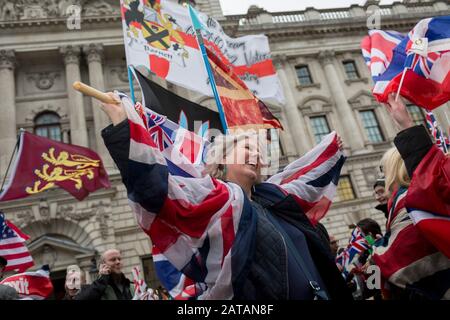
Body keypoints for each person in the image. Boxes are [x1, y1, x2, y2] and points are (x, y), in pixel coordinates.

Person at [99, 92, 353, 300]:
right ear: (222, 156)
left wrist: (330, 150)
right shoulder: (218, 199)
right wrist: (124, 128)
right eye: (246, 148)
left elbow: (303, 179)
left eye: (258, 152)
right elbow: (157, 192)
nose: (256, 156)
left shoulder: (276, 198)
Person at [369, 94, 450, 300]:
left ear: (396, 171)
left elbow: (397, 262)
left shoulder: (408, 202)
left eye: (384, 170)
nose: (382, 178)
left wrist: (372, 258)